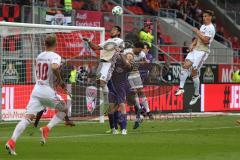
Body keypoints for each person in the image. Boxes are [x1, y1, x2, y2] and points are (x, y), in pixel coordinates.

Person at [5, 34, 69, 155]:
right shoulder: (56, 56)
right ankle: (47, 128)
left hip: (36, 90)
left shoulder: (39, 56)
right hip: (47, 91)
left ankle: (12, 142)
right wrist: (60, 80)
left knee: (27, 118)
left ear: (45, 44)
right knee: (64, 108)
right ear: (56, 44)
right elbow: (55, 67)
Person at [83, 26, 124, 122]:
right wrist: (89, 41)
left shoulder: (119, 40)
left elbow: (121, 48)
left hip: (109, 63)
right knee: (100, 83)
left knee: (101, 82)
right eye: (112, 29)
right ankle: (113, 101)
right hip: (102, 64)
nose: (112, 30)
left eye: (114, 29)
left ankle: (107, 104)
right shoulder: (107, 41)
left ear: (118, 32)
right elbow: (96, 47)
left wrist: (119, 50)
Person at [175, 10, 216, 105]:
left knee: (194, 72)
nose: (204, 18)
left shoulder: (211, 28)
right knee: (185, 65)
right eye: (203, 16)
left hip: (202, 51)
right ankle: (181, 88)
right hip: (196, 49)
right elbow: (198, 38)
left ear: (210, 17)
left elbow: (206, 41)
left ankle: (197, 94)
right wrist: (192, 44)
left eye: (206, 16)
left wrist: (197, 31)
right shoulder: (203, 26)